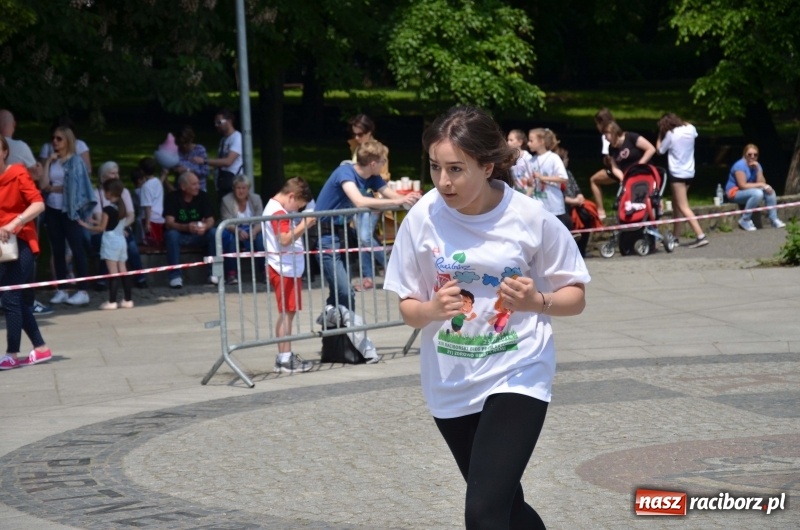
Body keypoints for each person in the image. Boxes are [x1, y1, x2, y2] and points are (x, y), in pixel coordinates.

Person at [384, 105, 589, 529]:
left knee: (483, 513)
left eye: (456, 169)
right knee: (505, 507)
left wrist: (539, 301)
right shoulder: (422, 216)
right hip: (451, 381)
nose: (444, 182)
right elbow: (408, 309)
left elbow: (576, 296)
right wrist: (430, 309)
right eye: (436, 168)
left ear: (487, 165)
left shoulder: (530, 217)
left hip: (518, 370)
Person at [315, 139, 419, 311]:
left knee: (340, 292)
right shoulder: (345, 172)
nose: (385, 164)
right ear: (373, 163)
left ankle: (339, 329)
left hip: (342, 234)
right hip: (325, 235)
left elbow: (392, 196)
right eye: (383, 161)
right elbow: (359, 201)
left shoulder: (373, 177)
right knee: (344, 291)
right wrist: (400, 200)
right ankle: (339, 328)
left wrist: (410, 199)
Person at [0, 136, 53, 370]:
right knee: (15, 299)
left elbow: (38, 203)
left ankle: (12, 353)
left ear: (4, 152)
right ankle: (41, 348)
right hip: (2, 247)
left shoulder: (18, 173)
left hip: (22, 243)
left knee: (10, 297)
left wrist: (15, 223)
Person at [0, 109, 53, 315]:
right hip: (18, 222)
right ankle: (28, 303)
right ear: (12, 125)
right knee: (23, 265)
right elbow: (37, 176)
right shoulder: (19, 147)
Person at [262, 177, 316, 373]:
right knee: (287, 313)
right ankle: (284, 358)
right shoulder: (278, 212)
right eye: (297, 206)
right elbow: (284, 239)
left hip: (286, 267)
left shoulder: (278, 208)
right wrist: (305, 224)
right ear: (291, 196)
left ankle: (284, 356)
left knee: (288, 312)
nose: (297, 210)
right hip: (283, 268)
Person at [40, 125, 95, 306]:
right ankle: (61, 289)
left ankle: (82, 290)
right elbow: (42, 185)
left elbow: (75, 188)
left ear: (67, 141)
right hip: (52, 208)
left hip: (69, 210)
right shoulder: (54, 161)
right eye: (53, 138)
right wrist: (48, 162)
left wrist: (53, 188)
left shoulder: (75, 161)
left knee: (76, 247)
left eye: (59, 139)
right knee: (57, 249)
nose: (55, 142)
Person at [85, 161, 147, 288]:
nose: (116, 176)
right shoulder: (97, 194)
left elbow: (131, 215)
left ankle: (140, 277)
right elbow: (99, 218)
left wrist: (121, 227)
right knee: (108, 243)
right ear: (103, 177)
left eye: (117, 173)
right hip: (102, 230)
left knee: (131, 247)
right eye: (113, 173)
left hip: (122, 229)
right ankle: (103, 280)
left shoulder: (124, 192)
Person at [347, 114, 391, 291]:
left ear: (369, 132)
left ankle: (392, 267)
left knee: (365, 237)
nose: (356, 138)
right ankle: (368, 278)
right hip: (358, 199)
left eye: (360, 134)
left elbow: (383, 175)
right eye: (355, 134)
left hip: (374, 199)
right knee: (361, 239)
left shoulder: (381, 150)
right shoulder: (356, 148)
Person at [78, 179, 134, 310]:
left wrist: (86, 225)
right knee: (123, 270)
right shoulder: (121, 206)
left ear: (109, 193)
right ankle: (128, 299)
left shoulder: (107, 209)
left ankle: (112, 301)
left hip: (110, 241)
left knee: (112, 272)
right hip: (120, 240)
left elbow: (102, 228)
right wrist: (94, 221)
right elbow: (112, 223)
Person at [656, 113, 708, 248]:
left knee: (683, 206)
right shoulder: (690, 128)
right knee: (676, 204)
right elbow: (694, 134)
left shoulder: (670, 134)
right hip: (690, 172)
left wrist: (660, 136)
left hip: (677, 174)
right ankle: (676, 236)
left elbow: (660, 150)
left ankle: (700, 235)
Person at [163, 171, 217, 288]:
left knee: (214, 233)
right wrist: (186, 227)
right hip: (180, 235)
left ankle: (214, 273)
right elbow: (169, 222)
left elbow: (211, 220)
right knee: (171, 235)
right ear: (183, 186)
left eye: (198, 183)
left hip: (199, 235)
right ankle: (175, 276)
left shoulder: (203, 196)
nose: (198, 186)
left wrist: (205, 227)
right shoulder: (172, 198)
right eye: (194, 184)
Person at [726, 144, 786, 231]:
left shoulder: (756, 165)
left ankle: (774, 219)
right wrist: (762, 185)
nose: (752, 157)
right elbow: (742, 185)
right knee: (758, 193)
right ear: (744, 155)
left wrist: (758, 169)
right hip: (735, 193)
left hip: (750, 191)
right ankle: (745, 219)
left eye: (755, 155)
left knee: (770, 191)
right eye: (749, 154)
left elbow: (762, 182)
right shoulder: (739, 166)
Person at [556, 146, 603, 257]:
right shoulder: (557, 176)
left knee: (587, 215)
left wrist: (580, 196)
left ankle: (582, 250)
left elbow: (576, 188)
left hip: (576, 203)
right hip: (565, 206)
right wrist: (573, 201)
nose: (568, 160)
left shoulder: (568, 173)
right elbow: (560, 196)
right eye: (566, 158)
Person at [220, 174, 265, 284]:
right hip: (234, 229)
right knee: (230, 239)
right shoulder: (226, 200)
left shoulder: (256, 199)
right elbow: (226, 222)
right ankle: (231, 274)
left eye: (244, 188)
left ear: (248, 189)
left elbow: (261, 220)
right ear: (234, 189)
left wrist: (254, 231)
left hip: (253, 227)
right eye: (238, 188)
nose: (241, 191)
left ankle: (265, 272)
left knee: (261, 238)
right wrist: (238, 231)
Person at [193, 108, 242, 203]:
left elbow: (228, 161)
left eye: (219, 122)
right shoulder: (224, 140)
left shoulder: (237, 138)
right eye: (215, 123)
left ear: (229, 121)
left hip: (233, 182)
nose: (216, 125)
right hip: (222, 183)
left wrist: (204, 161)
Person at [526, 128, 571, 228]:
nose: (528, 144)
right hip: (539, 205)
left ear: (541, 141)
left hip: (553, 205)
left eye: (531, 140)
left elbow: (563, 178)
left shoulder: (553, 158)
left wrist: (543, 178)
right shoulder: (531, 161)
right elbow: (531, 185)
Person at [588, 108, 615, 219]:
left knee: (593, 180)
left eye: (597, 124)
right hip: (626, 166)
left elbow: (607, 156)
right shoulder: (618, 130)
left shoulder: (606, 136)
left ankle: (601, 210)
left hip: (616, 169)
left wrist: (607, 162)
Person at [139, 157, 165, 248]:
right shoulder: (157, 181)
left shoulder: (145, 187)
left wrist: (147, 223)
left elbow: (147, 206)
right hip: (159, 217)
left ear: (142, 171)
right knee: (158, 243)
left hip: (150, 219)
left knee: (150, 244)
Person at [175, 125, 210, 192]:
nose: (184, 146)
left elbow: (206, 172)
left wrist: (187, 170)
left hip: (199, 189)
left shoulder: (199, 150)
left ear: (191, 140)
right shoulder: (176, 152)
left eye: (186, 143)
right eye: (181, 143)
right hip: (181, 189)